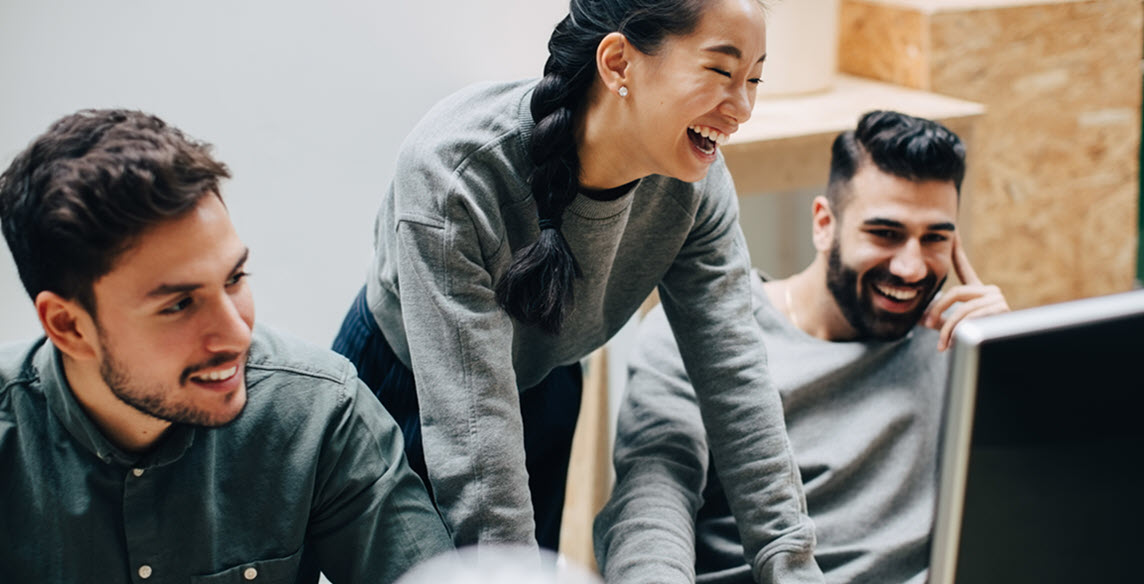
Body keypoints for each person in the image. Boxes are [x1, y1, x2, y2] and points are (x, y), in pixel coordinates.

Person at [333, 0, 821, 579]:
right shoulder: (453, 173)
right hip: (401, 396)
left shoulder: (698, 187)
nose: (742, 108)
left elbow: (736, 376)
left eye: (755, 79)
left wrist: (790, 561)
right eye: (720, 71)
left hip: (545, 387)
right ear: (618, 64)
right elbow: (475, 442)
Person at [0, 109, 453, 583]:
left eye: (234, 278)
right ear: (69, 326)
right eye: (179, 304)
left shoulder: (319, 413)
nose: (237, 335)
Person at [595, 110, 1010, 583]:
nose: (911, 269)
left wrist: (1013, 374)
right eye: (885, 234)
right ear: (823, 224)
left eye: (935, 239)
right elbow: (652, 502)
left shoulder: (956, 344)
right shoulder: (700, 330)